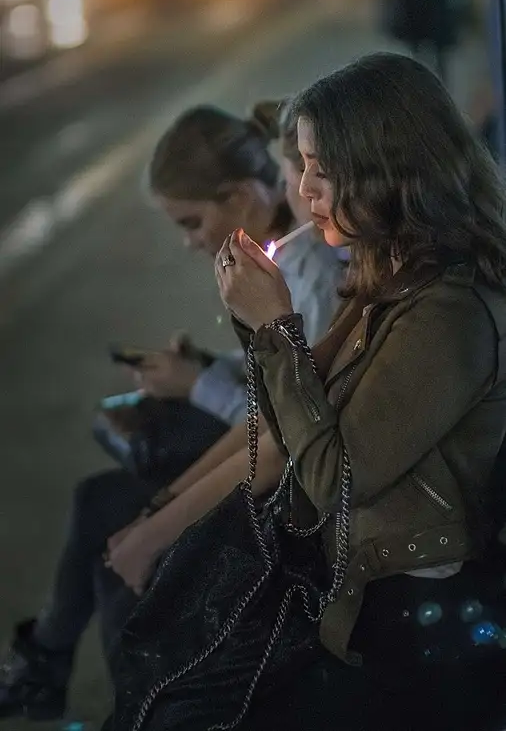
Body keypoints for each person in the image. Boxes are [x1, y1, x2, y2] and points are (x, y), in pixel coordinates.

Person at [110, 53, 506, 730]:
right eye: (303, 166)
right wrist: (258, 327)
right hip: (351, 583)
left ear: (385, 170)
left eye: (322, 169)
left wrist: (274, 327)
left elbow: (333, 480)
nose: (305, 190)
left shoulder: (447, 310)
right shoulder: (387, 271)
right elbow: (284, 418)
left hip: (408, 619)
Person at [0, 103, 345, 722]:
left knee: (126, 561)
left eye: (307, 175)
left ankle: (104, 696)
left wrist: (197, 393)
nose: (303, 198)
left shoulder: (311, 274)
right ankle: (53, 669)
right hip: (277, 463)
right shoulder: (281, 264)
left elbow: (283, 431)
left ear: (243, 195)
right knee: (105, 512)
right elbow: (275, 404)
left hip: (300, 504)